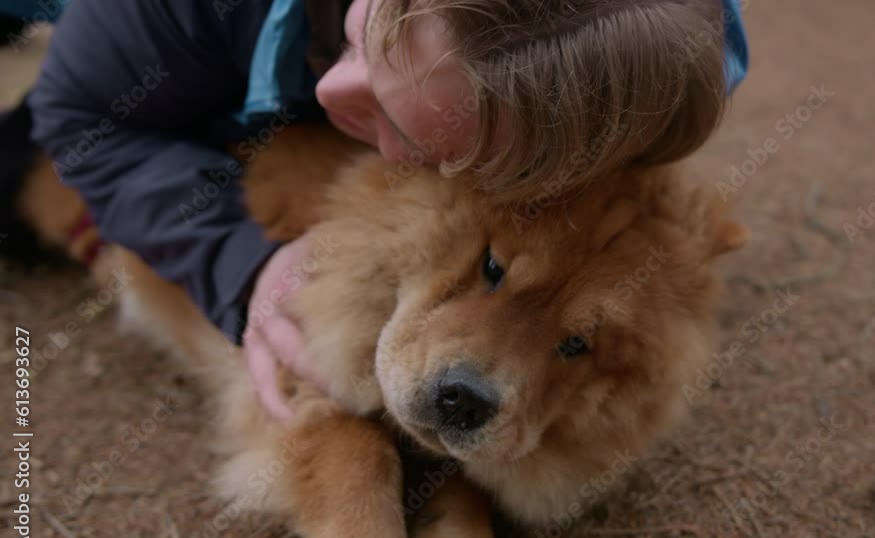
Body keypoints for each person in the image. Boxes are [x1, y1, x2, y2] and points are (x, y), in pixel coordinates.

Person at [7, 0, 748, 418]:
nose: (333, 98)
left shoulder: (685, 59)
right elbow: (83, 119)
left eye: (421, 140)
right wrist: (242, 263)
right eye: (367, 49)